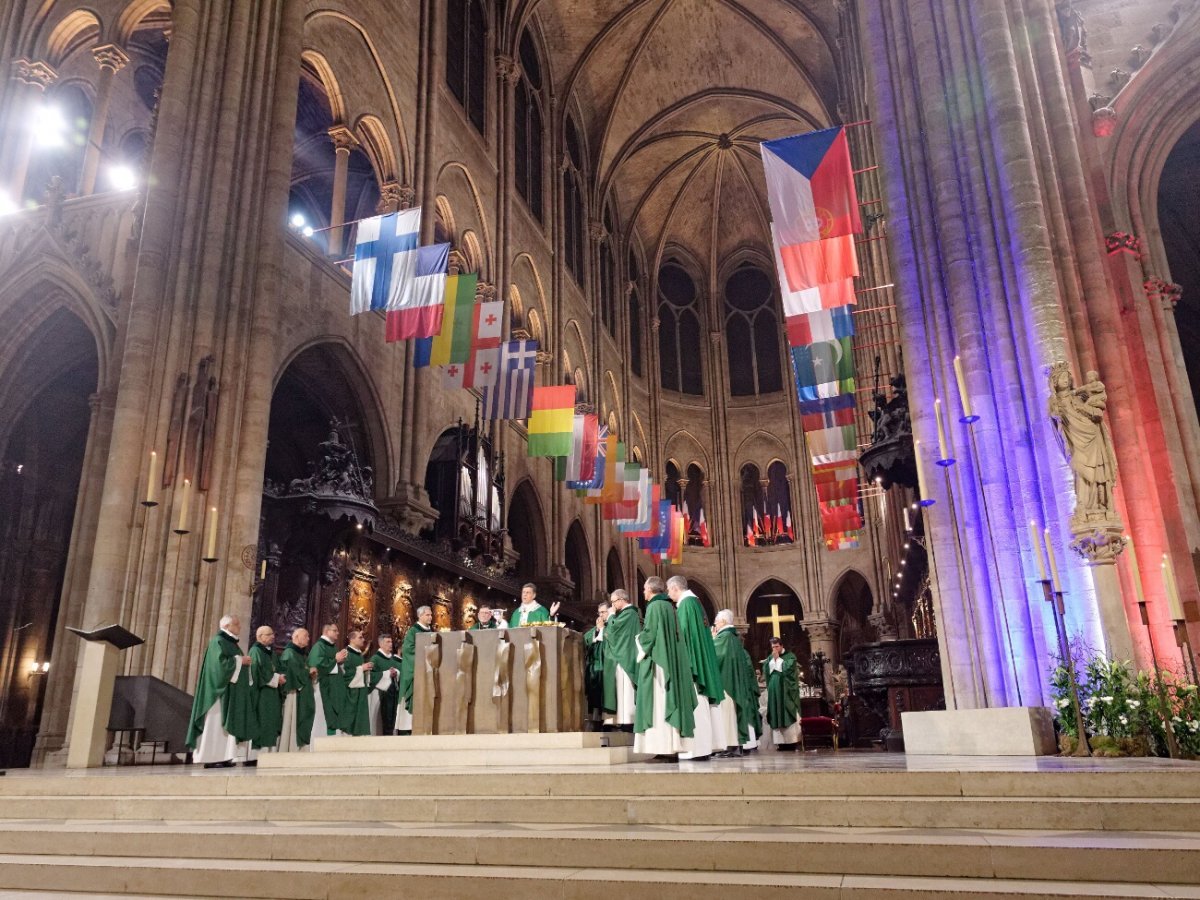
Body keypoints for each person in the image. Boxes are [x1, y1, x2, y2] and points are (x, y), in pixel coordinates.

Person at [633, 576, 695, 758]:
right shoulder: (670, 606)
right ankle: (671, 745)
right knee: (667, 700)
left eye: (645, 589)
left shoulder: (654, 606)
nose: (643, 592)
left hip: (659, 665)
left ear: (651, 590)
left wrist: (638, 639)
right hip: (670, 661)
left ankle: (662, 748)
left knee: (658, 704)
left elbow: (650, 635)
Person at [666, 575, 725, 760]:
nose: (669, 595)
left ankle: (697, 749)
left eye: (669, 591)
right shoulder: (696, 603)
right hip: (702, 660)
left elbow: (682, 636)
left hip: (692, 663)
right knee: (703, 706)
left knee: (696, 704)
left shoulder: (685, 605)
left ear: (676, 588)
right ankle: (703, 748)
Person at [185, 614, 255, 768]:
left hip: (230, 690)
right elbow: (219, 666)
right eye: (236, 624)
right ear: (226, 626)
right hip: (218, 694)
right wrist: (240, 661)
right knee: (215, 723)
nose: (240, 627)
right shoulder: (218, 641)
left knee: (224, 726)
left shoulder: (231, 643)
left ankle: (225, 756)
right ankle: (211, 758)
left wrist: (241, 662)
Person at [712, 610, 757, 754]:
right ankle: (732, 744)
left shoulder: (724, 637)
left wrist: (712, 639)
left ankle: (729, 745)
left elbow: (715, 654)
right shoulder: (732, 637)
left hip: (727, 684)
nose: (715, 625)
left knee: (727, 713)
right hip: (731, 681)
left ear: (724, 622)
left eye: (716, 622)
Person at [602, 590, 639, 731]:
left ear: (622, 599)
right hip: (625, 654)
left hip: (625, 656)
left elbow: (613, 630)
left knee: (626, 689)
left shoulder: (629, 613)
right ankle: (625, 720)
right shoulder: (628, 614)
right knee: (623, 689)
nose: (613, 605)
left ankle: (628, 720)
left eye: (614, 601)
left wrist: (610, 616)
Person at [248, 625, 285, 761]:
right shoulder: (256, 651)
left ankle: (269, 754)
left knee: (272, 721)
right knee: (262, 721)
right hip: (262, 693)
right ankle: (256, 756)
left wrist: (282, 676)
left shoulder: (271, 652)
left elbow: (278, 667)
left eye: (272, 634)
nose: (273, 637)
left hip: (273, 693)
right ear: (260, 637)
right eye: (269, 634)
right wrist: (276, 678)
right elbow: (257, 672)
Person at [307, 623, 349, 737]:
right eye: (335, 630)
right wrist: (335, 659)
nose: (338, 633)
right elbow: (316, 666)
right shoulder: (319, 646)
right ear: (326, 632)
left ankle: (332, 741)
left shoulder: (333, 646)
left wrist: (339, 661)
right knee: (323, 715)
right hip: (322, 687)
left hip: (334, 686)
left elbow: (332, 663)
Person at [397, 606, 433, 734]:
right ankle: (408, 728)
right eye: (427, 615)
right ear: (420, 616)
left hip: (428, 670)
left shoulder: (431, 630)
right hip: (415, 670)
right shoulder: (413, 631)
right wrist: (426, 655)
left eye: (431, 615)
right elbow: (408, 650)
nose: (430, 617)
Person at [278, 627, 314, 751]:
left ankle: (301, 748)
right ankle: (290, 748)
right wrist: (308, 672)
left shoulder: (302, 653)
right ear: (296, 637)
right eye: (306, 636)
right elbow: (294, 672)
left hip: (303, 691)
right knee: (292, 720)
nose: (308, 639)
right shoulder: (289, 652)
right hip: (294, 693)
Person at [763, 637, 802, 750]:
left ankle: (791, 742)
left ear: (782, 646)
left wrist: (777, 660)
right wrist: (772, 661)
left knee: (787, 711)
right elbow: (766, 669)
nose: (775, 649)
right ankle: (780, 743)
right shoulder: (771, 657)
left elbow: (788, 669)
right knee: (776, 713)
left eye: (777, 647)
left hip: (786, 691)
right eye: (773, 647)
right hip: (774, 690)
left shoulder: (790, 656)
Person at [340, 629, 374, 736]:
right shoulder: (346, 653)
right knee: (349, 719)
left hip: (360, 690)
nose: (363, 640)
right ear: (352, 639)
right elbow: (344, 673)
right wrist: (361, 669)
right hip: (350, 692)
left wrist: (366, 669)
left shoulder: (359, 655)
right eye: (360, 637)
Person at [583, 600, 611, 723]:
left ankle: (608, 720)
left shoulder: (613, 625)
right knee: (594, 694)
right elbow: (586, 639)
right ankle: (595, 718)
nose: (600, 616)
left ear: (609, 611)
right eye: (599, 613)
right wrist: (598, 631)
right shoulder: (596, 628)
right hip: (595, 667)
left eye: (603, 612)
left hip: (607, 667)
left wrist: (602, 631)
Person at [368, 634, 401, 735]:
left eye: (391, 642)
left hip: (394, 692)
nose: (391, 644)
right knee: (384, 719)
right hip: (381, 694)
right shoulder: (375, 659)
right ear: (380, 644)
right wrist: (386, 674)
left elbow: (399, 672)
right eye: (388, 642)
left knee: (393, 718)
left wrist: (396, 673)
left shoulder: (393, 659)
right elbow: (370, 675)